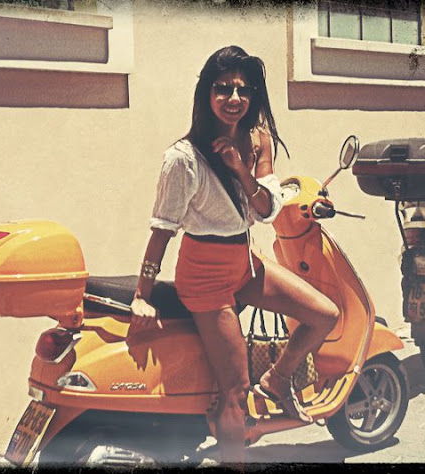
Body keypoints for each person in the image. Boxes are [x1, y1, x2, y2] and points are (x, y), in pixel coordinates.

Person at [130, 46, 339, 464]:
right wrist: (141, 294)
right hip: (204, 276)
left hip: (245, 264)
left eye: (243, 90)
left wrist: (241, 168)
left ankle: (278, 380)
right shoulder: (183, 159)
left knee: (325, 314)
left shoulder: (259, 140)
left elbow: (266, 210)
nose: (234, 98)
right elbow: (162, 231)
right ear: (207, 94)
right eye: (223, 88)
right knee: (235, 389)